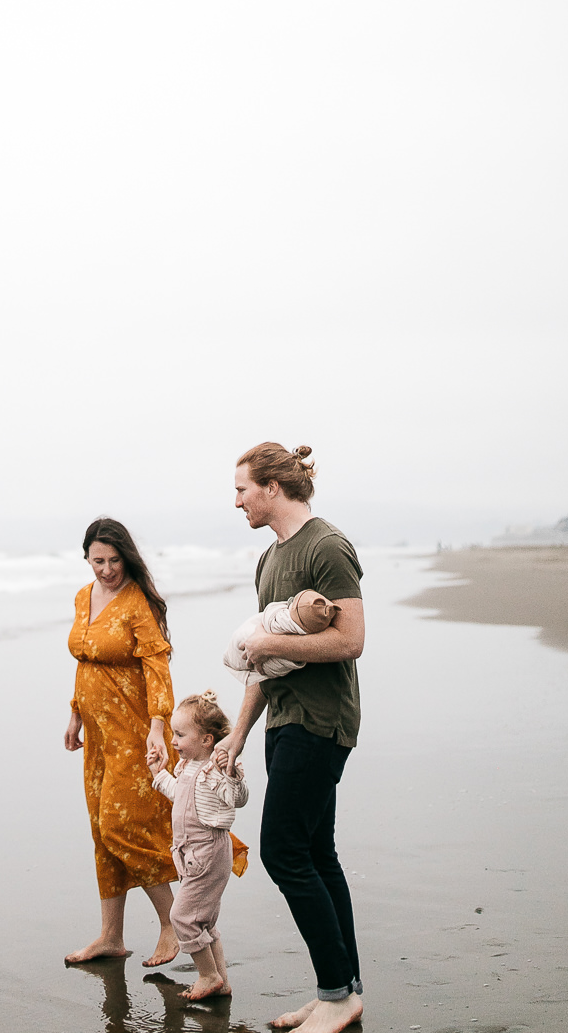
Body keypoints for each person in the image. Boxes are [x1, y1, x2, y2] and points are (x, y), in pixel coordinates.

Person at [216, 443, 365, 1033]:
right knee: (317, 853)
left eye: (241, 489)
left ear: (272, 487)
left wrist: (273, 644)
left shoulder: (327, 547)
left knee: (282, 852)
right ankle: (343, 990)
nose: (236, 501)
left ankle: (335, 993)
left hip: (322, 721)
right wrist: (237, 735)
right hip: (283, 721)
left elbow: (350, 640)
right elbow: (263, 658)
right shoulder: (269, 559)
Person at [64, 517, 180, 966]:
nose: (107, 569)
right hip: (96, 734)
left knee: (122, 826)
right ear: (86, 558)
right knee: (100, 831)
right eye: (98, 561)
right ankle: (111, 935)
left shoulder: (137, 603)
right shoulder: (82, 596)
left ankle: (174, 925)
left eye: (114, 560)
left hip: (135, 733)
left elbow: (157, 665)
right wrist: (75, 713)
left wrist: (158, 725)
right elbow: (85, 661)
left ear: (126, 557)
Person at [146, 690, 248, 1001]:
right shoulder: (187, 766)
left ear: (206, 740)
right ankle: (220, 981)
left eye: (179, 734)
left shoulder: (217, 770)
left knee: (181, 918)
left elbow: (239, 799)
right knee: (203, 920)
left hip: (209, 851)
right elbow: (179, 795)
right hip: (191, 855)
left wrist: (230, 773)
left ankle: (207, 975)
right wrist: (157, 773)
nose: (172, 741)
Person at [223, 590, 339, 684]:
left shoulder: (280, 620)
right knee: (245, 645)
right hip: (250, 645)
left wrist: (265, 643)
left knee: (245, 654)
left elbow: (270, 612)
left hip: (250, 651)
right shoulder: (286, 622)